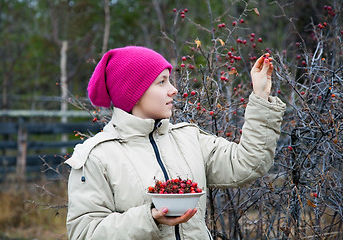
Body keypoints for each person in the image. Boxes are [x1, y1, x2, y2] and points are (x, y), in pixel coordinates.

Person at [65, 46, 286, 239]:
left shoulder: (189, 139)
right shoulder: (97, 157)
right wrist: (150, 218)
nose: (174, 89)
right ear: (134, 93)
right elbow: (85, 233)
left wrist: (260, 97)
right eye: (162, 82)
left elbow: (249, 163)